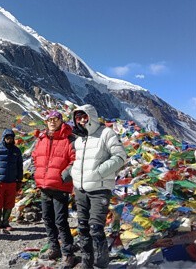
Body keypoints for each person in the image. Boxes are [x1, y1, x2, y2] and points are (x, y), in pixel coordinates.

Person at [62, 104, 127, 269]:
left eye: (85, 116)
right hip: (81, 189)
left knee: (95, 228)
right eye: (78, 118)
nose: (82, 120)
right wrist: (70, 172)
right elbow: (80, 162)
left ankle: (101, 263)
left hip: (100, 189)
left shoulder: (106, 133)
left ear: (92, 116)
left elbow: (120, 156)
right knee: (83, 227)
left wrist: (99, 172)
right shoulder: (79, 139)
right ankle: (87, 262)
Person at [32, 110, 76, 268]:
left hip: (60, 186)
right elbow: (35, 156)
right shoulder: (42, 138)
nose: (52, 122)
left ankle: (68, 253)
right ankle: (54, 248)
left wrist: (64, 174)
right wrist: (37, 172)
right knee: (47, 218)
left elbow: (74, 160)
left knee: (60, 221)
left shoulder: (69, 139)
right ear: (46, 121)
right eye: (49, 119)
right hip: (44, 186)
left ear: (61, 121)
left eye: (55, 119)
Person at [0, 129, 23, 233]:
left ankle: (5, 222)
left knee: (9, 203)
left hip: (12, 181)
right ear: (3, 138)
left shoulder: (16, 151)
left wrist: (19, 180)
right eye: (7, 138)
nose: (9, 139)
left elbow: (20, 166)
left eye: (11, 138)